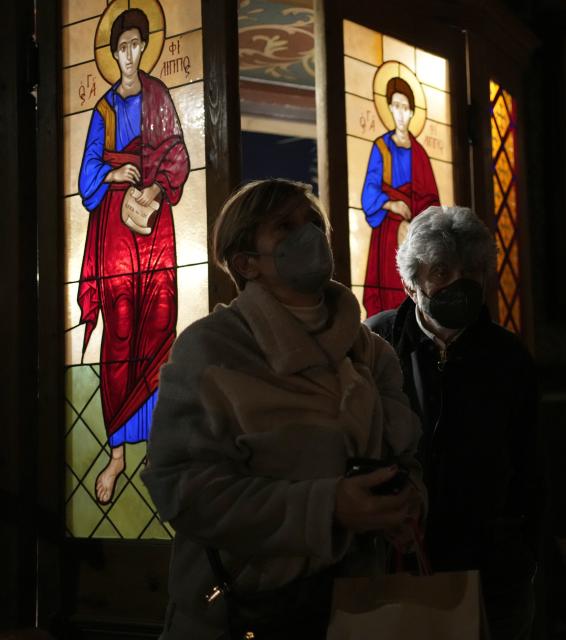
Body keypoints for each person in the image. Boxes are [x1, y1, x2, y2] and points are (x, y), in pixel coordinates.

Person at [142, 179, 424, 639]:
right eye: (285, 226)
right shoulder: (209, 350)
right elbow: (184, 490)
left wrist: (408, 501)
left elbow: (405, 457)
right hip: (246, 614)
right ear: (246, 263)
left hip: (360, 609)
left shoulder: (371, 350)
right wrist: (326, 507)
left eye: (312, 221)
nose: (308, 233)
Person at [366, 206, 542, 640]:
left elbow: (533, 466)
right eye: (441, 270)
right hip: (396, 558)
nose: (457, 282)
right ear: (410, 282)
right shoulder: (374, 344)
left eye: (470, 269)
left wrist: (524, 551)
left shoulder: (509, 356)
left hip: (492, 569)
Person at [77, 7, 190, 504]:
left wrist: (156, 190)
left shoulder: (158, 96)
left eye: (136, 45)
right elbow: (85, 179)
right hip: (114, 235)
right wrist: (111, 175)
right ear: (113, 52)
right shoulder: (102, 110)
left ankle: (157, 447)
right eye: (121, 47)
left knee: (159, 322)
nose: (128, 54)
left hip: (154, 223)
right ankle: (119, 455)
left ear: (144, 47)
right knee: (121, 330)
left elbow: (178, 155)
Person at [361, 77, 440, 317]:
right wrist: (391, 204)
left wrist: (416, 223)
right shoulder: (381, 148)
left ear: (412, 112)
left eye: (405, 107)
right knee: (387, 289)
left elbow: (433, 202)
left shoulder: (420, 154)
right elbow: (370, 191)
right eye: (395, 106)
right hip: (387, 233)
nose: (400, 113)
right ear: (389, 108)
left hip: (414, 234)